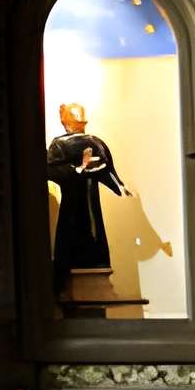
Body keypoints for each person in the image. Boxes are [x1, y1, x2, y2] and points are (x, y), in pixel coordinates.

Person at [45, 101, 126, 288]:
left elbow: (107, 170)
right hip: (72, 204)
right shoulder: (60, 144)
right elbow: (52, 170)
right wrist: (80, 169)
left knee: (93, 231)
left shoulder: (95, 142)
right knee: (72, 234)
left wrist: (119, 187)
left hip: (90, 202)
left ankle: (94, 264)